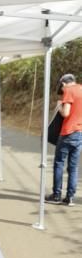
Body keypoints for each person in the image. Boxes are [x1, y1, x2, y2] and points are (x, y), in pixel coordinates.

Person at [45, 73, 82, 206]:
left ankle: (56, 195)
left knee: (59, 163)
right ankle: (70, 198)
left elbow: (65, 113)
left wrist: (59, 105)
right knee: (73, 167)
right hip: (79, 133)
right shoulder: (81, 89)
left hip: (68, 132)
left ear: (63, 83)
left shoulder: (68, 90)